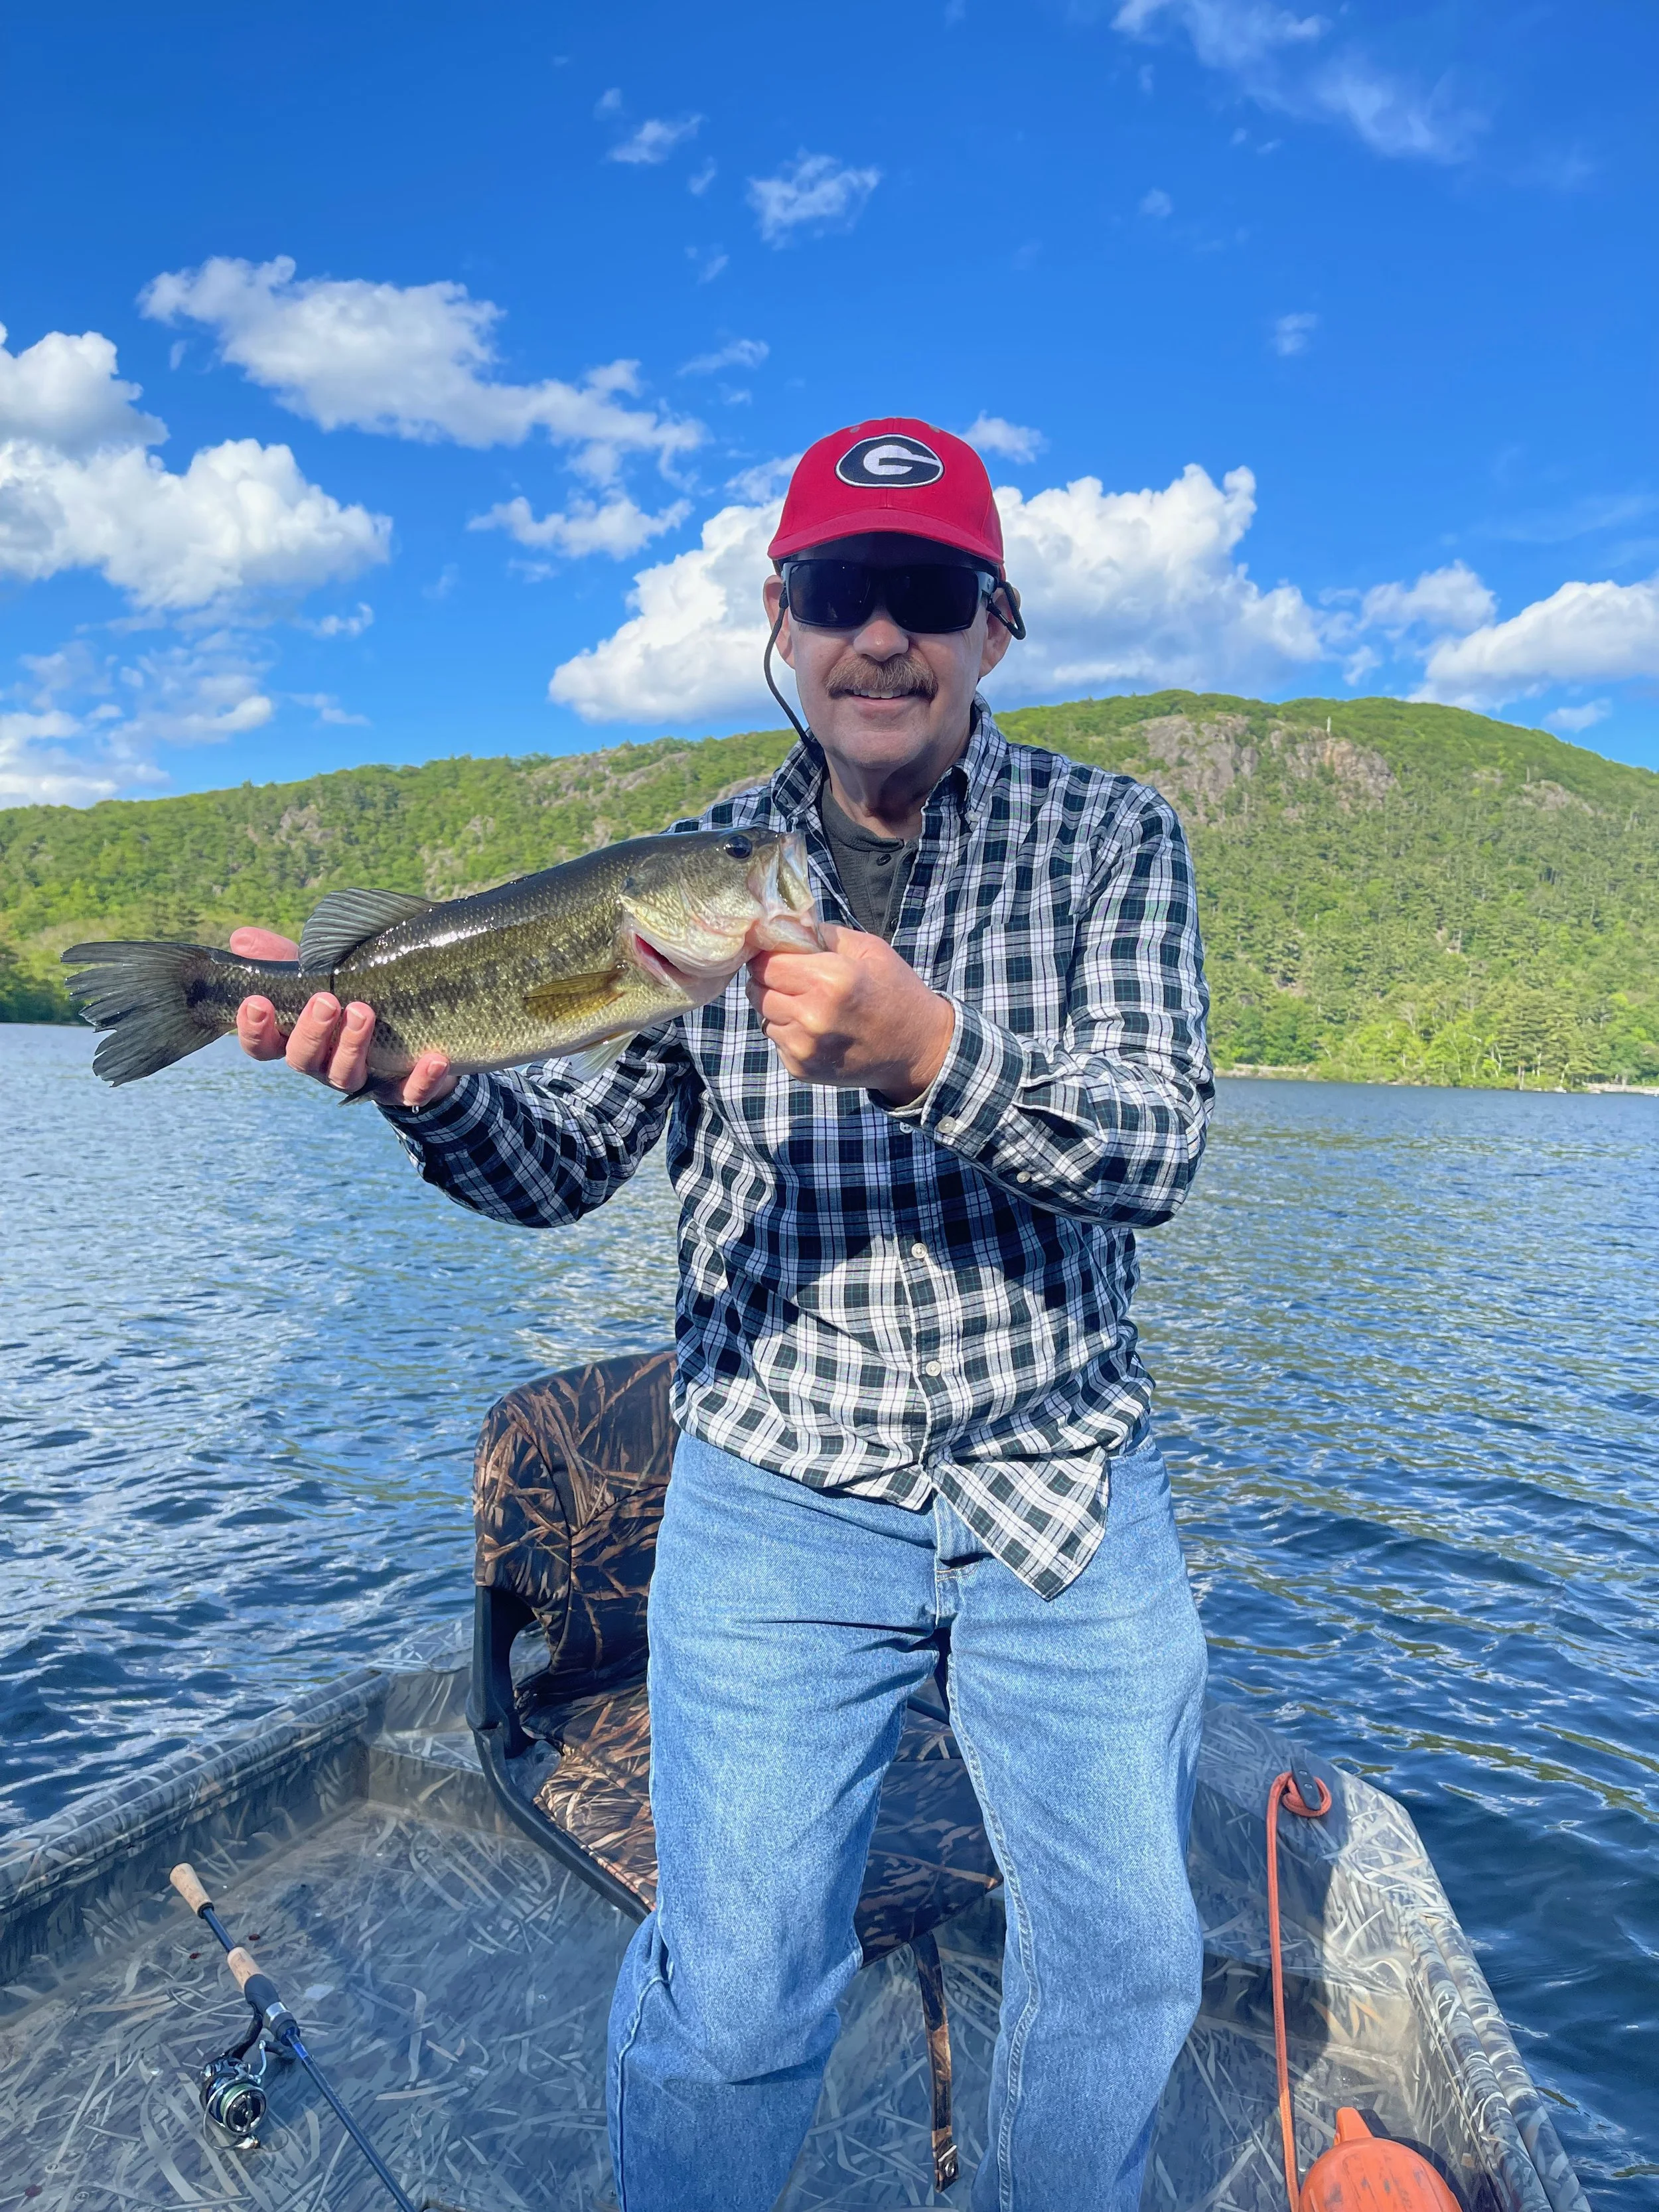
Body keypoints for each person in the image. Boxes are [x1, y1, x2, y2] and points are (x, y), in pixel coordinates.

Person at [232, 417, 1214, 2212]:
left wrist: (926, 1053)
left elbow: (1155, 1144)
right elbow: (555, 1170)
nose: (881, 636)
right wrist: (412, 1088)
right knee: (742, 1985)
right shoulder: (686, 874)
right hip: (774, 1487)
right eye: (842, 590)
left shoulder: (1112, 840)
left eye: (926, 593)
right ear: (783, 614)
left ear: (993, 625)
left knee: (1127, 1961)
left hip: (1062, 1477)